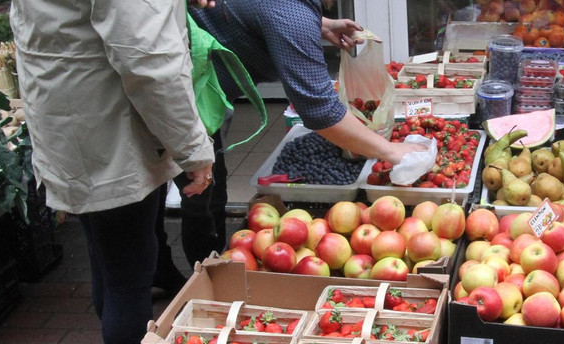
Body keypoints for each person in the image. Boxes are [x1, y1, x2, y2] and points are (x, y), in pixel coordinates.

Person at [12, 0, 217, 344]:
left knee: (111, 269)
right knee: (128, 280)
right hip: (111, 133)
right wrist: (194, 149)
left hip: (75, 124)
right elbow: (148, 60)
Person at [169, 0, 426, 270]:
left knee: (199, 193)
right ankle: (206, 282)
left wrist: (320, 24)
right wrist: (389, 150)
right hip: (176, 96)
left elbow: (258, 11)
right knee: (200, 197)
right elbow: (319, 110)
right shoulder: (291, 12)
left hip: (190, 84)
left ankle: (165, 273)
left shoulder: (293, 11)